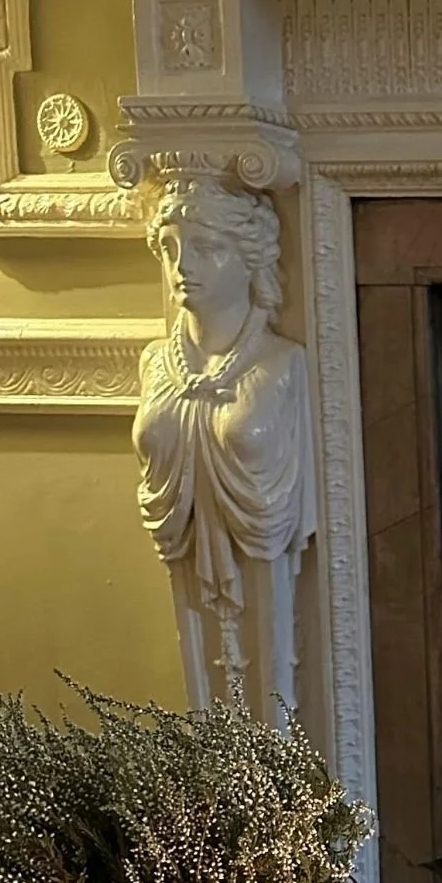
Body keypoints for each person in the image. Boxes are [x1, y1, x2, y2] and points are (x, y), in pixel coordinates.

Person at [132, 177, 316, 714]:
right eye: (171, 247)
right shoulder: (157, 366)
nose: (182, 265)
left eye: (208, 249)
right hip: (190, 578)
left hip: (265, 578)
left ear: (251, 262)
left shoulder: (281, 366)